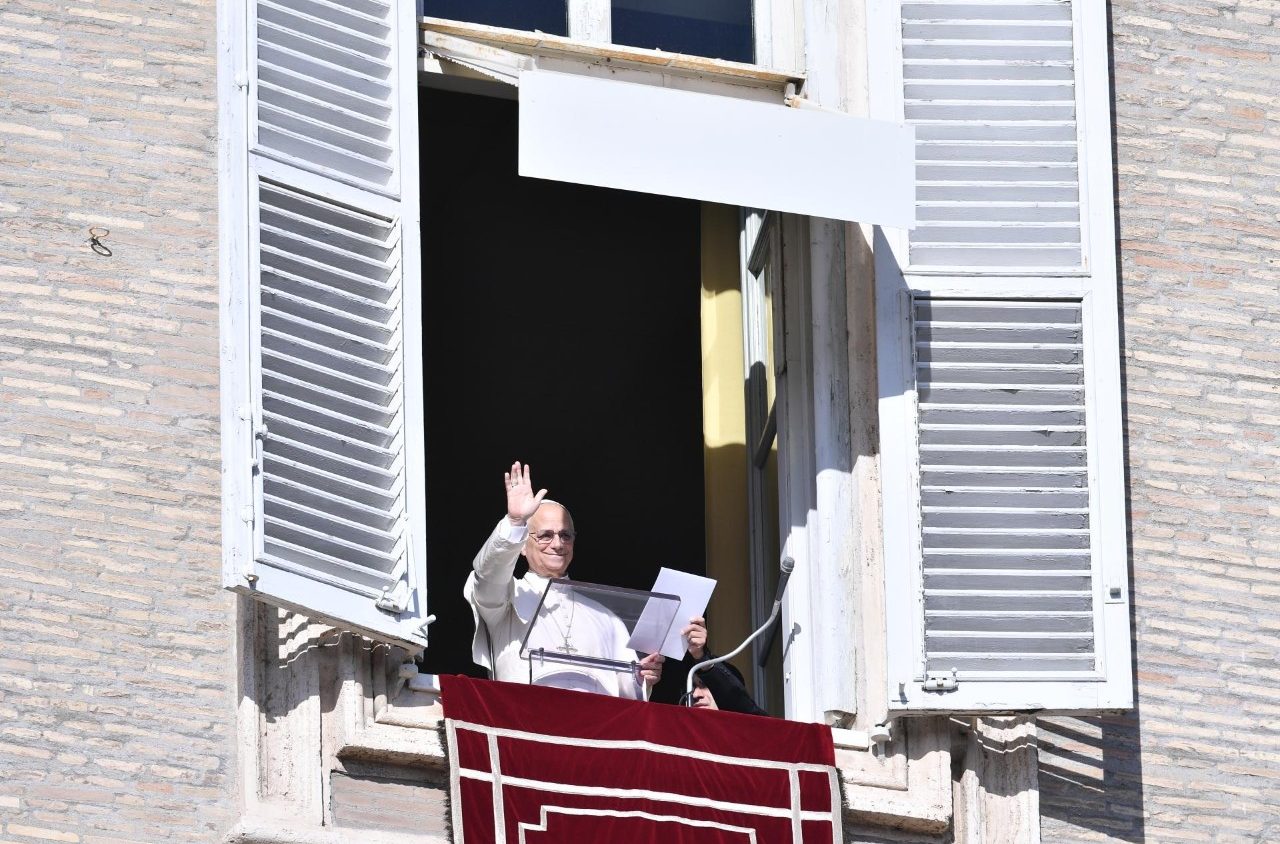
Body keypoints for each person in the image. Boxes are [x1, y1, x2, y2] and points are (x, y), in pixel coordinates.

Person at [464, 461, 664, 699]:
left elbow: (627, 694)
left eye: (565, 535)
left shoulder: (605, 617)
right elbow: (488, 575)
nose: (558, 544)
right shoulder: (506, 599)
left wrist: (642, 676)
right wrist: (515, 523)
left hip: (593, 720)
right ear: (523, 546)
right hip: (527, 715)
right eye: (545, 535)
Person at [680, 616, 768, 716]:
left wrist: (701, 657)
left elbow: (746, 708)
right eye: (692, 688)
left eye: (705, 685)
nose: (695, 695)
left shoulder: (748, 724)